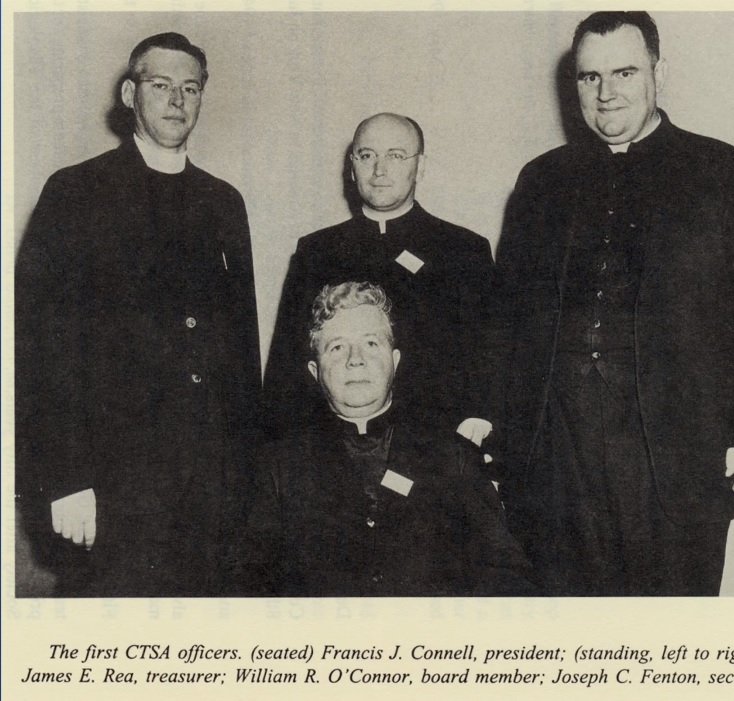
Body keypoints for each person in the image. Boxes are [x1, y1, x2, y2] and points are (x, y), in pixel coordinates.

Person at [492, 12, 734, 596]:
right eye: (589, 77)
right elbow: (505, 315)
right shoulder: (540, 181)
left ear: (660, 72)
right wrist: (494, 420)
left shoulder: (727, 173)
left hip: (674, 452)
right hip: (554, 452)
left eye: (624, 72)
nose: (606, 93)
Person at [15, 32, 262, 597]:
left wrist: (250, 480)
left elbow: (242, 353)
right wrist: (65, 480)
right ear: (129, 93)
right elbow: (40, 349)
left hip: (212, 487)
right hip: (112, 482)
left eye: (190, 88)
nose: (177, 99)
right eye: (161, 85)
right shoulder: (76, 191)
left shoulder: (224, 201)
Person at [240, 282, 532, 596]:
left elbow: (506, 573)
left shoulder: (455, 456)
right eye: (337, 347)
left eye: (370, 343)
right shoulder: (279, 467)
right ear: (314, 370)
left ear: (395, 361)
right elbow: (246, 583)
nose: (355, 359)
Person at [262, 113, 494, 445]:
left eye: (395, 156)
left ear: (421, 165)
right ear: (352, 166)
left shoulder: (462, 251)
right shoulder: (316, 252)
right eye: (367, 155)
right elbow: (287, 368)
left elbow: (489, 362)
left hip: (437, 447)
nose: (379, 170)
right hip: (334, 447)